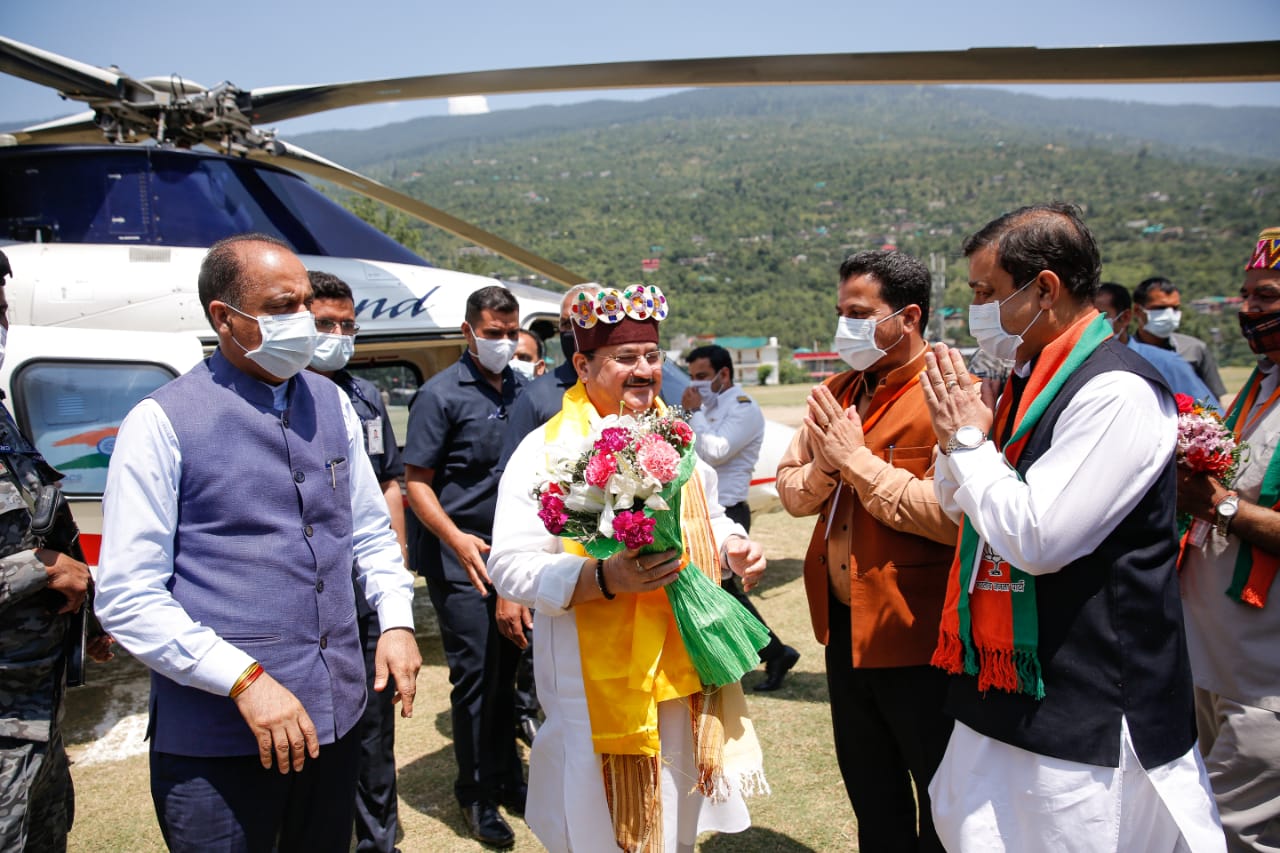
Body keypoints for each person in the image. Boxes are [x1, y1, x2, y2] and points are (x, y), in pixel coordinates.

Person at [95, 234, 421, 852]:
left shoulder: (333, 404)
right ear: (225, 317)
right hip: (220, 742)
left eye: (304, 302)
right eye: (281, 307)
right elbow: (128, 598)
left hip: (334, 721)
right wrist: (244, 679)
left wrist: (398, 621)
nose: (303, 320)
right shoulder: (161, 422)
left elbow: (369, 533)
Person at [920, 204, 1223, 852]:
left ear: (1045, 289)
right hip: (1007, 689)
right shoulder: (1027, 381)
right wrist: (957, 441)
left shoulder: (1116, 392)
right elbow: (961, 505)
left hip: (1089, 712)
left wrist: (969, 441)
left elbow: (1036, 537)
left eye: (986, 293)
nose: (977, 310)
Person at [488, 284, 769, 853]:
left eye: (651, 356)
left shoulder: (678, 440)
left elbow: (708, 514)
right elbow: (510, 567)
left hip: (685, 674)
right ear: (583, 365)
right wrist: (600, 580)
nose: (643, 371)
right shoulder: (545, 452)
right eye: (625, 358)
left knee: (678, 827)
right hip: (595, 694)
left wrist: (736, 544)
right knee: (600, 832)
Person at [777, 250, 959, 852]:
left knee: (941, 795)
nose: (844, 327)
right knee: (871, 791)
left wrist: (857, 464)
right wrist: (829, 464)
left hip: (919, 633)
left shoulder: (950, 396)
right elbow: (793, 492)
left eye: (859, 314)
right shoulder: (837, 391)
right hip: (845, 626)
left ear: (908, 317)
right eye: (841, 312)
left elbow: (956, 521)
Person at [403, 284, 528, 848]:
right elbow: (417, 484)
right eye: (493, 333)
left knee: (512, 674)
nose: (503, 343)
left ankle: (508, 775)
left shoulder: (524, 391)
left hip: (516, 555)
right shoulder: (439, 395)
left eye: (510, 333)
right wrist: (455, 540)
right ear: (469, 332)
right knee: (476, 676)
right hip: (462, 557)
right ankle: (475, 795)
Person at [1177, 226, 1280, 853]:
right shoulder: (1261, 386)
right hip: (1208, 665)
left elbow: (1225, 505)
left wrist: (1220, 505)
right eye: (1247, 295)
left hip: (1264, 684)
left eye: (1265, 296)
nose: (1248, 310)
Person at [306, 270, 409, 853]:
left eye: (348, 325)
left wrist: (395, 565)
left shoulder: (364, 398)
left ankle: (378, 842)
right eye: (326, 324)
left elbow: (389, 483)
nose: (339, 335)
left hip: (364, 592)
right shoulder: (281, 396)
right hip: (308, 595)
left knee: (373, 732)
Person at [0, 249, 96, 853]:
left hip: (34, 713)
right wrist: (41, 572)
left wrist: (88, 614)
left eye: (0, 309)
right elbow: (38, 558)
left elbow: (40, 523)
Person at [497, 283, 598, 752]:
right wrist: (509, 591)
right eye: (564, 326)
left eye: (583, 322)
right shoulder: (537, 397)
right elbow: (510, 492)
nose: (572, 332)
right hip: (556, 576)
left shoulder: (634, 391)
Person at [683, 344, 800, 692]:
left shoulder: (743, 408)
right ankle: (771, 652)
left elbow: (715, 451)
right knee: (720, 591)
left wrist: (693, 414)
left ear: (724, 374)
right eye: (692, 377)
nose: (697, 384)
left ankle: (775, 652)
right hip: (703, 511)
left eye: (703, 376)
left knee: (725, 591)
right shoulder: (709, 406)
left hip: (729, 514)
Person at [1097, 281, 1222, 412]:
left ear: (1125, 317)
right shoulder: (1080, 364)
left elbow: (1211, 418)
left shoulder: (1169, 363)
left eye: (1100, 315)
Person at [1134, 275, 1228, 400]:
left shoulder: (1195, 349)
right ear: (1137, 310)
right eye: (1160, 308)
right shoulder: (1124, 352)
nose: (1169, 314)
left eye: (1175, 308)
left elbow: (1212, 402)